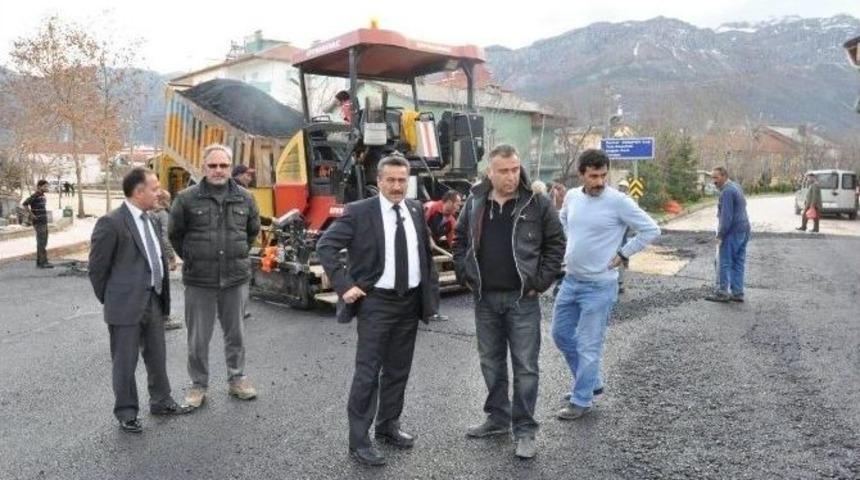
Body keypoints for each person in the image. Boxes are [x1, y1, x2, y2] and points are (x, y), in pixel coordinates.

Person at [317, 153, 440, 467]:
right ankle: (359, 441)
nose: (397, 186)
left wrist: (429, 295)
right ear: (379, 181)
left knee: (398, 370)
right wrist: (345, 286)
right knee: (368, 373)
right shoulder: (360, 212)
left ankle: (388, 426)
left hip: (409, 302)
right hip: (377, 303)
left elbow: (423, 254)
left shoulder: (414, 209)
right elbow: (326, 246)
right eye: (391, 180)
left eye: (402, 180)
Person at [453, 144, 566, 460]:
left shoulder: (537, 202)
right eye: (503, 171)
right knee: (490, 362)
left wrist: (540, 282)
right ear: (491, 171)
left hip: (522, 300)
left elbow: (556, 244)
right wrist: (464, 274)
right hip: (484, 299)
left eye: (515, 169)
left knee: (526, 367)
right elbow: (459, 240)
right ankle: (498, 418)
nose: (511, 176)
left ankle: (525, 429)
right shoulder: (475, 201)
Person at [552, 149, 660, 421]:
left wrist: (624, 253)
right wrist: (570, 249)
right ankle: (590, 381)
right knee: (561, 334)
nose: (599, 181)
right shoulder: (573, 197)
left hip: (599, 286)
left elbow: (651, 229)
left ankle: (582, 399)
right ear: (582, 175)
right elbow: (564, 219)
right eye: (593, 176)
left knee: (589, 344)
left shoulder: (618, 202)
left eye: (603, 175)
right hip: (571, 281)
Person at [87, 168, 193, 434]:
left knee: (157, 356)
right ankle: (126, 412)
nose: (160, 193)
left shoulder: (152, 219)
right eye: (155, 188)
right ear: (138, 191)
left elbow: (154, 257)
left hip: (154, 300)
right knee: (125, 362)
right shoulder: (111, 223)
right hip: (124, 305)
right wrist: (112, 299)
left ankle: (161, 401)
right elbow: (97, 269)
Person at [169, 144, 261, 409]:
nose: (218, 170)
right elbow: (175, 235)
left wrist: (237, 254)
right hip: (200, 281)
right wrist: (195, 257)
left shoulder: (246, 198)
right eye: (213, 166)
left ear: (230, 168)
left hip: (235, 279)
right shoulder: (186, 199)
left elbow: (251, 232)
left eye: (223, 165)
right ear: (203, 167)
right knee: (198, 337)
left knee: (236, 335)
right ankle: (198, 384)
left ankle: (237, 379)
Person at [706, 166, 750, 303]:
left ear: (724, 176)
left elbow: (726, 217)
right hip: (744, 228)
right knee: (738, 261)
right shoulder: (736, 186)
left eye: (716, 177)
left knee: (723, 261)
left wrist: (720, 235)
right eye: (712, 178)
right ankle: (737, 292)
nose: (714, 181)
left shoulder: (727, 192)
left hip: (732, 231)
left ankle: (722, 292)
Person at [150, 189, 183, 330]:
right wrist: (171, 258)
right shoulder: (163, 214)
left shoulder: (150, 213)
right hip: (160, 256)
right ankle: (165, 319)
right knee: (164, 288)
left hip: (151, 256)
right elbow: (165, 238)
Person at [22, 180, 52, 269]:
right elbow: (25, 204)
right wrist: (32, 215)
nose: (47, 188)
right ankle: (42, 263)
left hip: (44, 221)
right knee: (41, 242)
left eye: (47, 186)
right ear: (39, 186)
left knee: (44, 242)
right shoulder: (35, 195)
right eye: (45, 186)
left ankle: (42, 261)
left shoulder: (42, 195)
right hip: (38, 222)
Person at [615, 179, 632, 294]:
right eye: (620, 187)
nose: (622, 189)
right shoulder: (615, 200)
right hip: (615, 232)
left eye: (624, 188)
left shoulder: (628, 201)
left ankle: (620, 283)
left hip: (623, 231)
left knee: (621, 255)